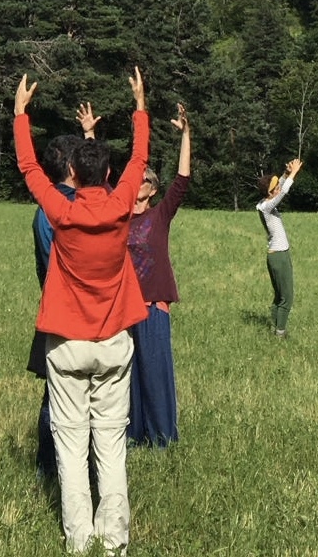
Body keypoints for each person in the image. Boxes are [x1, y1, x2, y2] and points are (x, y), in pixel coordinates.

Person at [14, 68, 149, 555]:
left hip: (67, 343)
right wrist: (139, 105)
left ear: (73, 173)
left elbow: (29, 167)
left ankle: (78, 539)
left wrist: (20, 113)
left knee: (71, 446)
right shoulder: (121, 205)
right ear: (109, 176)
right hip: (112, 342)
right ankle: (114, 540)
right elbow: (140, 157)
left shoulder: (61, 211)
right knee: (110, 445)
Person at [125, 102, 191, 446]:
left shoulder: (160, 215)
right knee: (127, 375)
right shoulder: (117, 217)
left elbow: (182, 180)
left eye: (145, 179)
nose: (138, 182)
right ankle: (133, 435)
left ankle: (163, 437)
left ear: (152, 189)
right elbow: (94, 183)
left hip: (152, 306)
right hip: (123, 308)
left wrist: (186, 135)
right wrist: (89, 135)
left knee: (155, 372)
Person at [27, 133, 78, 480]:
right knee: (57, 395)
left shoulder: (47, 208)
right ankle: (49, 468)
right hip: (67, 313)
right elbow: (55, 266)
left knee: (57, 393)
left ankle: (54, 467)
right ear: (73, 167)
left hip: (59, 310)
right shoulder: (58, 209)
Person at [256, 158, 302, 336]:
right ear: (269, 193)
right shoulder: (267, 206)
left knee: (279, 296)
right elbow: (283, 191)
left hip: (276, 255)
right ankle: (280, 334)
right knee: (287, 298)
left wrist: (286, 173)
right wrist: (294, 173)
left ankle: (275, 328)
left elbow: (279, 187)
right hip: (279, 256)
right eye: (274, 188)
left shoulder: (263, 204)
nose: (278, 188)